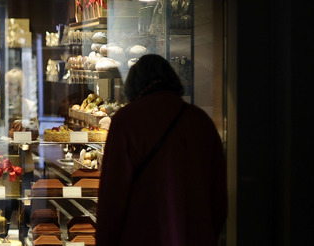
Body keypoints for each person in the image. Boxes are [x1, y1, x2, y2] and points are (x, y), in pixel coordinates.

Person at [96, 54, 227, 246]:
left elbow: (112, 196)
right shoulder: (200, 121)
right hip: (195, 235)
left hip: (143, 234)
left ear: (134, 85)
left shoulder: (127, 120)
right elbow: (218, 196)